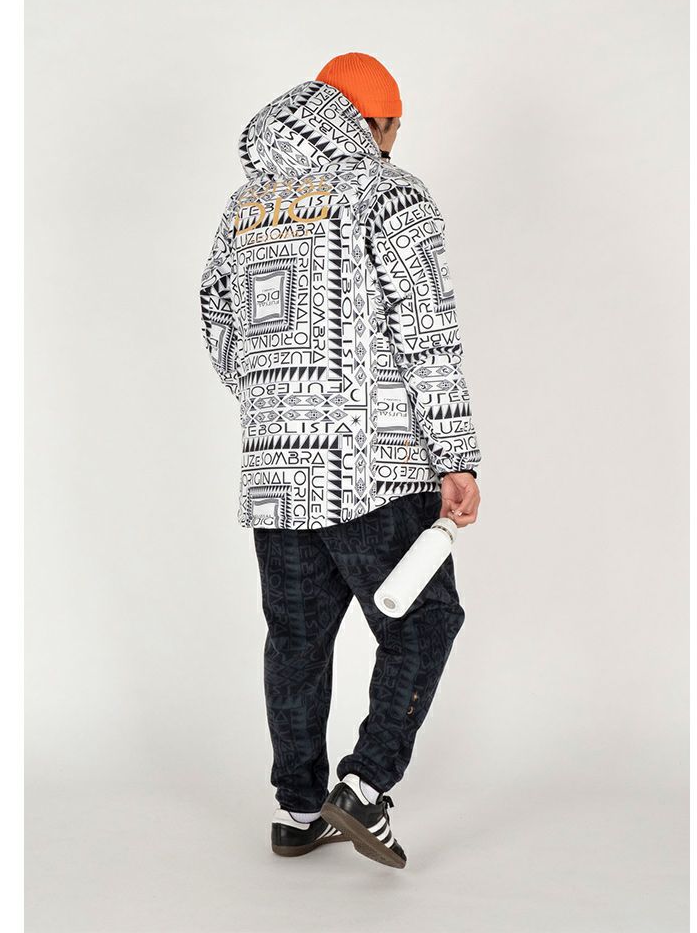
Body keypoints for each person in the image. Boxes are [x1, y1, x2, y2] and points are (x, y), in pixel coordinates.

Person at [200, 53, 482, 869]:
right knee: (426, 620)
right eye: (392, 128)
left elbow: (219, 326)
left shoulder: (246, 206)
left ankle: (296, 809)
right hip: (373, 464)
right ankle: (362, 789)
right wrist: (456, 455)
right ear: (376, 123)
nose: (393, 143)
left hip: (275, 470)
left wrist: (276, 406)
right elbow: (427, 332)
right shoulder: (389, 193)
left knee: (296, 640)